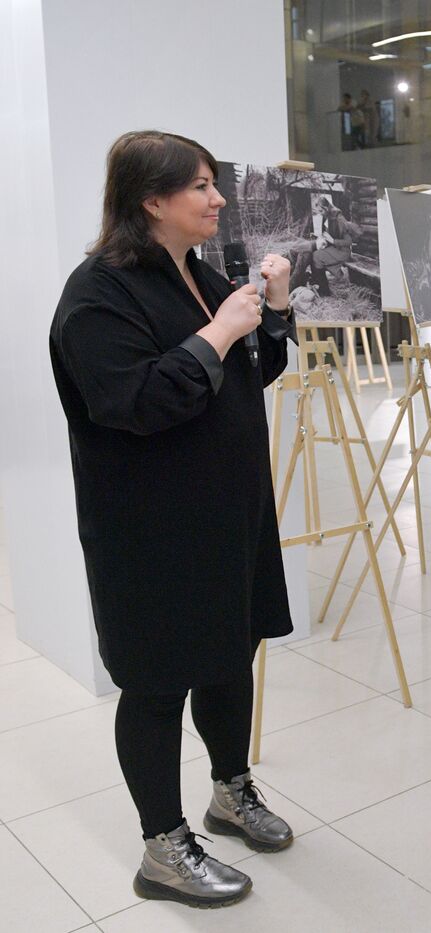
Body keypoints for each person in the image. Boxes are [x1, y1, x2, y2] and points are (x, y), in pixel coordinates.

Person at [49, 131, 299, 909]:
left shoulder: (200, 273)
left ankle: (230, 792)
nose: (218, 198)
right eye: (200, 186)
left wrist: (273, 313)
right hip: (151, 533)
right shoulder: (98, 293)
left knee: (229, 655)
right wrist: (222, 328)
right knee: (157, 682)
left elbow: (253, 371)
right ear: (150, 199)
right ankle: (163, 846)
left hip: (229, 516)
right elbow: (137, 400)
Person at [290, 194, 361, 294]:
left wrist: (332, 241)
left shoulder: (339, 219)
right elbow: (331, 235)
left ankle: (323, 289)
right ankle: (319, 285)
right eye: (319, 212)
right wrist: (323, 240)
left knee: (317, 256)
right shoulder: (329, 217)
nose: (320, 214)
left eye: (321, 211)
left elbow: (348, 242)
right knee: (314, 252)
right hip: (335, 248)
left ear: (326, 208)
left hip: (343, 252)